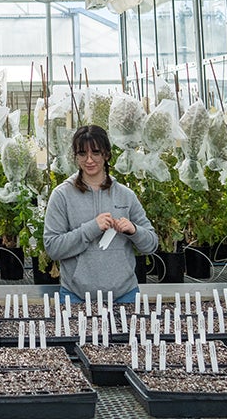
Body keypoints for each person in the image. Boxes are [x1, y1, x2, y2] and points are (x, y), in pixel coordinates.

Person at [44, 125, 158, 305]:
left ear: (106, 154)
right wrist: (91, 228)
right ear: (76, 156)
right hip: (76, 297)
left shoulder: (125, 195)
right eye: (82, 154)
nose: (89, 160)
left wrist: (134, 230)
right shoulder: (62, 196)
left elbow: (151, 244)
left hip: (125, 295)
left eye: (95, 153)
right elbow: (52, 247)